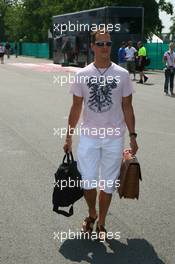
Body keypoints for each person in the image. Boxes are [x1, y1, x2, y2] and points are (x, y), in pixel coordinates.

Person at [63, 29, 138, 241]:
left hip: (114, 137)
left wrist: (133, 136)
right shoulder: (82, 75)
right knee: (87, 182)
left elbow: (128, 107)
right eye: (101, 44)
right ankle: (91, 213)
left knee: (107, 184)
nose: (106, 48)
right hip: (89, 137)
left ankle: (102, 222)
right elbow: (76, 107)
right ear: (93, 47)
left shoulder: (122, 75)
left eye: (109, 43)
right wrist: (69, 135)